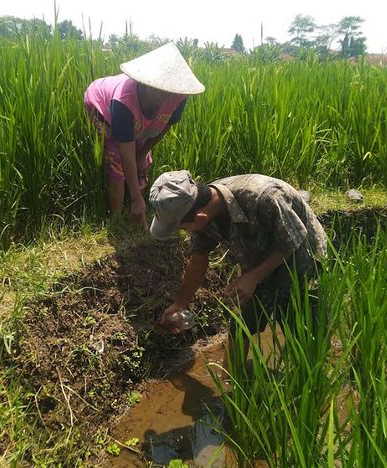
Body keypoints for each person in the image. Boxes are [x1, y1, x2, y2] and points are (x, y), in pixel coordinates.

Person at [148, 170, 327, 360]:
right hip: (257, 258)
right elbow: (198, 259)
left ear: (199, 217)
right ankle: (232, 380)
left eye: (183, 227)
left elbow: (292, 241)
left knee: (302, 327)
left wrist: (253, 277)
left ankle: (308, 377)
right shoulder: (202, 210)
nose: (184, 231)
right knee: (240, 324)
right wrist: (179, 303)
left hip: (302, 255)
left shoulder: (265, 196)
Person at [84, 43, 204, 227]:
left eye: (168, 89)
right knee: (117, 161)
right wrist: (135, 198)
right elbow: (125, 153)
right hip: (100, 106)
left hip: (135, 118)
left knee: (143, 160)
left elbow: (163, 127)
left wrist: (142, 154)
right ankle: (117, 219)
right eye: (157, 88)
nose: (163, 95)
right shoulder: (123, 102)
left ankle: (137, 209)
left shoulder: (178, 97)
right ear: (144, 82)